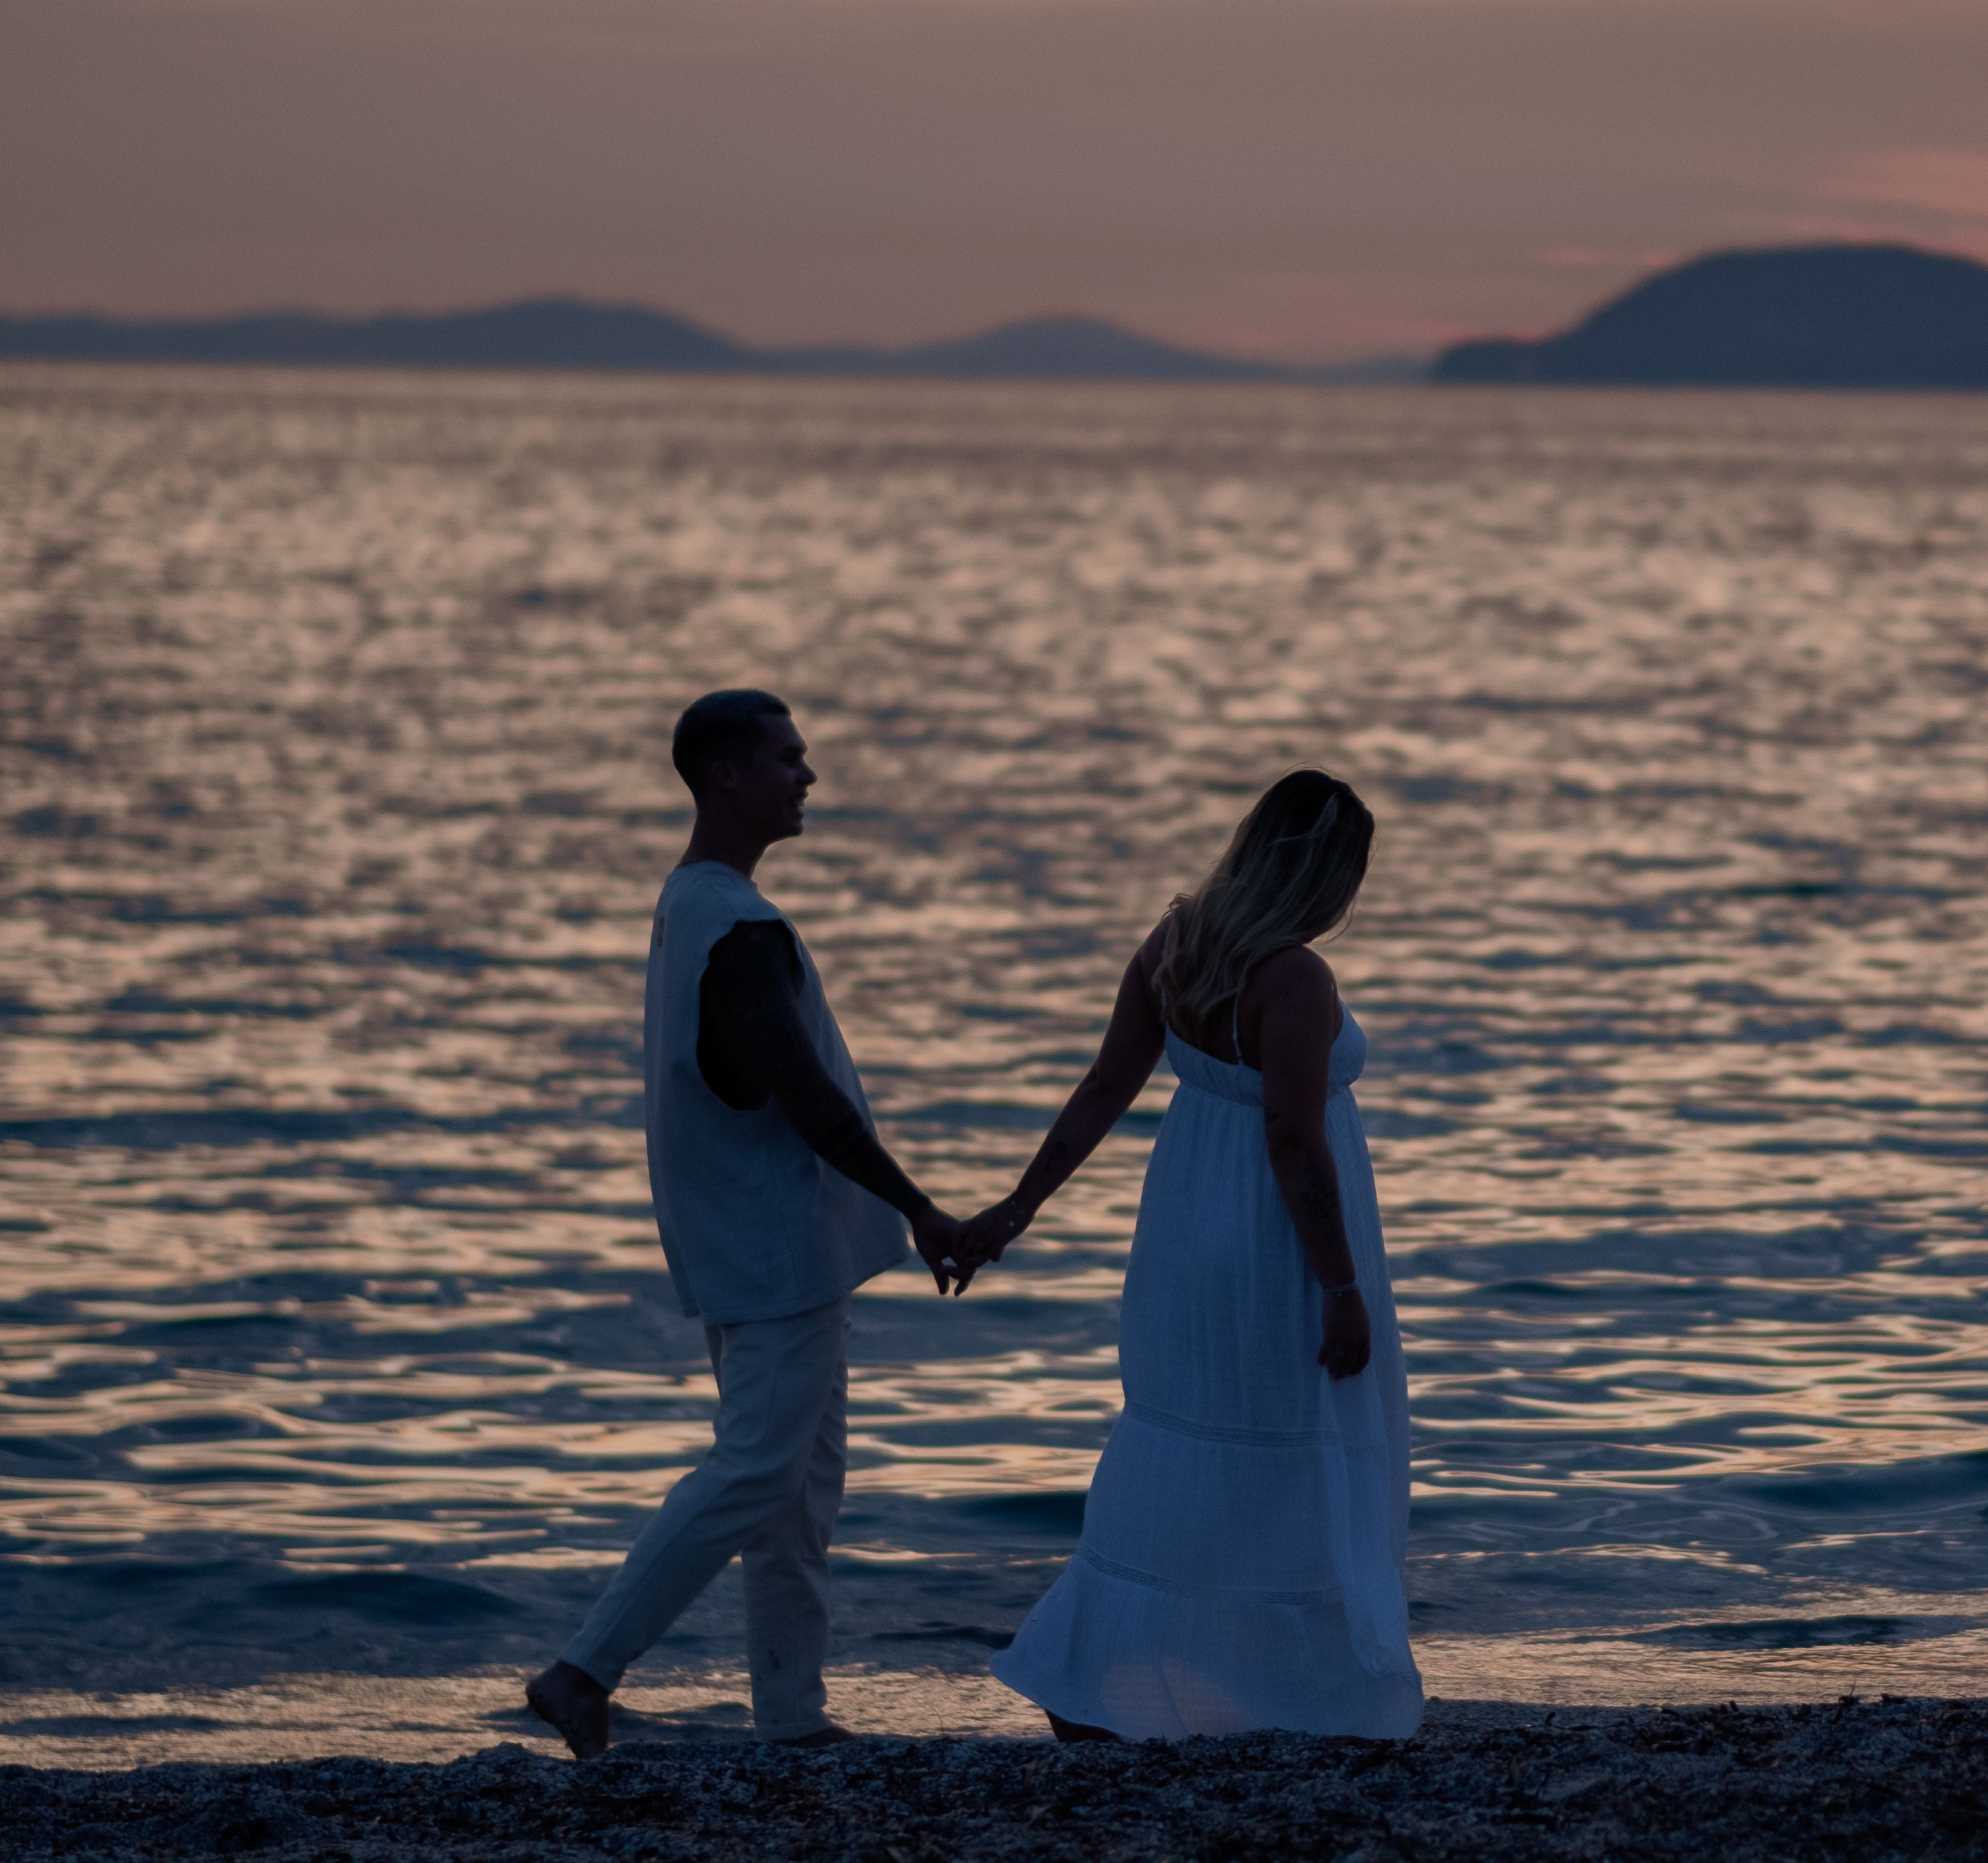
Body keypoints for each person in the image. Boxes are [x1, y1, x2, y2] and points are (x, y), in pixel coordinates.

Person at [524, 691, 968, 1762]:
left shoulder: (691, 903)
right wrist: (921, 1210)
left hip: (760, 1245)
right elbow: (810, 1101)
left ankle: (791, 1717)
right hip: (772, 1251)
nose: (807, 776)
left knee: (799, 1489)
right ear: (726, 775)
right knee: (760, 1470)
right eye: (788, 758)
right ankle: (583, 1672)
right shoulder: (736, 927)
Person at [955, 770, 1421, 1741]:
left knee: (1183, 1438)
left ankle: (1112, 1672)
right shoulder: (1294, 977)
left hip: (1182, 1230)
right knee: (1294, 1448)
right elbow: (1294, 1144)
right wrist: (1340, 1286)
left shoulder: (1179, 944)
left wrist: (1019, 1204)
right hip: (1271, 1247)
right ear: (1325, 875)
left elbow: (1101, 1091)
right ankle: (1294, 1691)